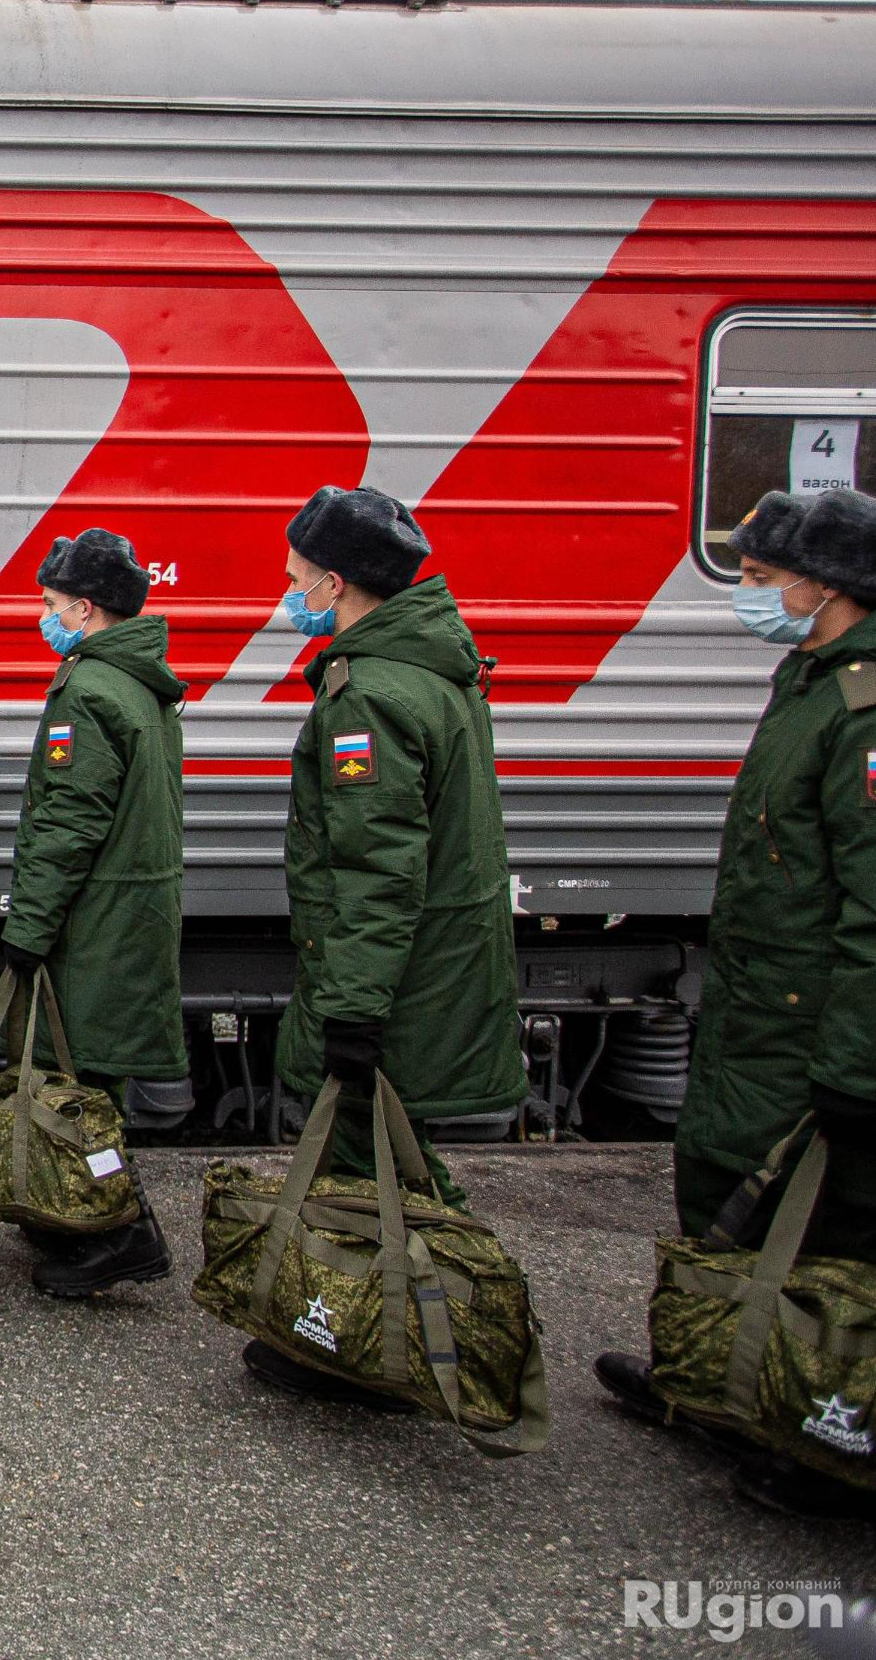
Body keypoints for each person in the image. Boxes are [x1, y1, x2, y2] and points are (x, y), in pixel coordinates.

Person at [597, 486, 876, 1519]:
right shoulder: (809, 681)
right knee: (730, 1191)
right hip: (766, 1002)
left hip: (815, 1017)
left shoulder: (861, 709)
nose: (748, 593)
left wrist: (857, 1066)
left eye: (762, 577)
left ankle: (823, 1437)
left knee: (827, 1228)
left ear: (827, 585)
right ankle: (723, 1379)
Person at [247, 485, 521, 1409]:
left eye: (295, 579)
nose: (287, 594)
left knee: (371, 1165)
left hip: (393, 983)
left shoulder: (371, 696)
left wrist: (352, 1012)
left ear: (335, 583)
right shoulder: (436, 671)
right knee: (393, 1163)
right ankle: (394, 1332)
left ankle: (384, 1347)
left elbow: (374, 872)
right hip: (436, 969)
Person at [0, 528, 186, 1297]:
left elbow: (68, 826)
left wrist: (27, 929)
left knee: (84, 1091)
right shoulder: (143, 683)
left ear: (84, 608)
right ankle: (84, 1220)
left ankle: (121, 1231)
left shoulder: (90, 690)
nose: (44, 618)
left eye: (50, 605)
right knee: (89, 1087)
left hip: (94, 924)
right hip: (129, 911)